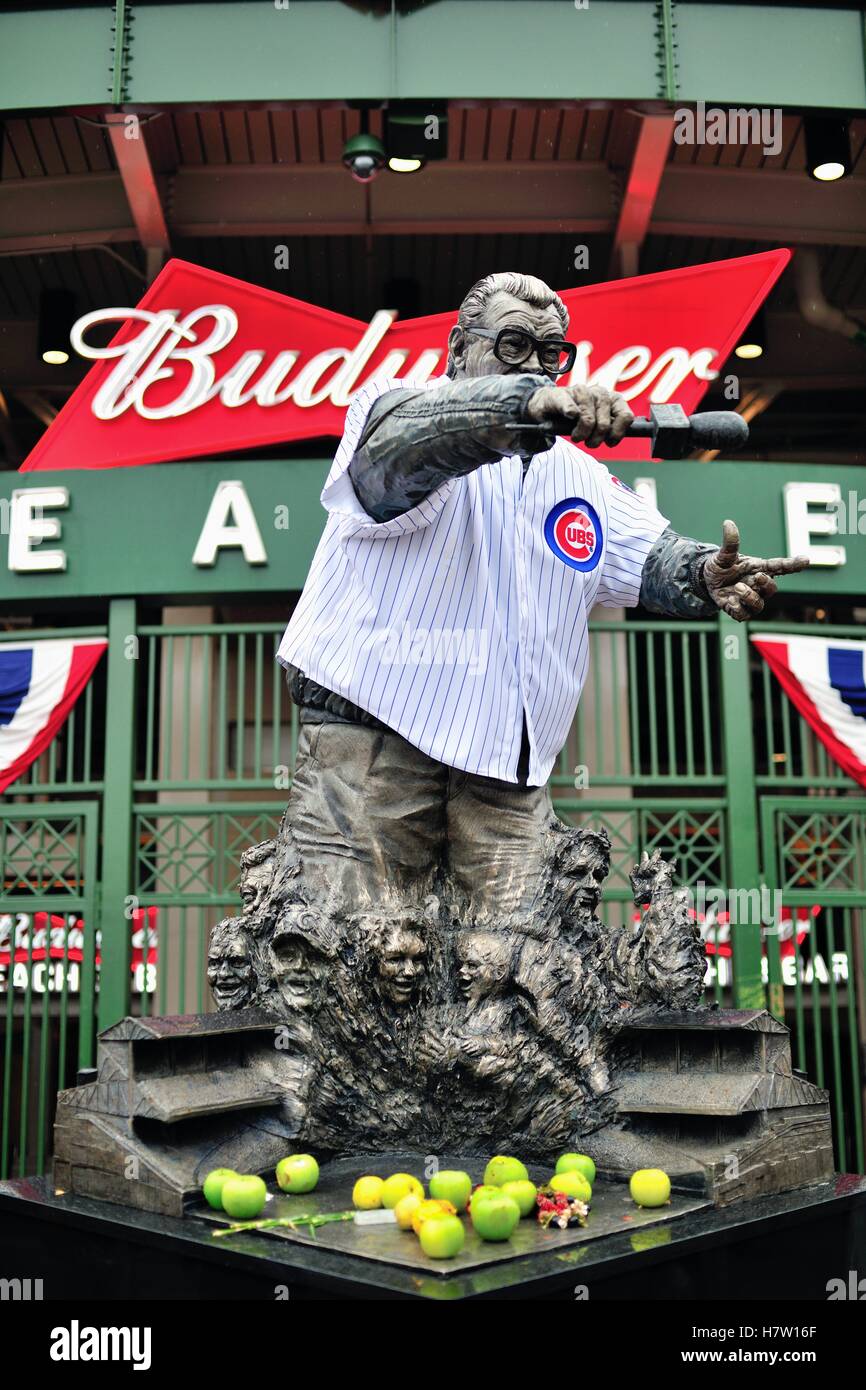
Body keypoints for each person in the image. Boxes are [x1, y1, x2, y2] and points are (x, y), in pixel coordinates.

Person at [276, 271, 808, 909]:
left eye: (551, 354)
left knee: (521, 970)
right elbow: (400, 451)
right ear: (457, 349)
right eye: (512, 345)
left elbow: (647, 556)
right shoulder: (396, 408)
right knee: (348, 950)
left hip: (507, 767)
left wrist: (702, 573)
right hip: (368, 740)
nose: (536, 366)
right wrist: (516, 406)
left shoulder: (577, 472)